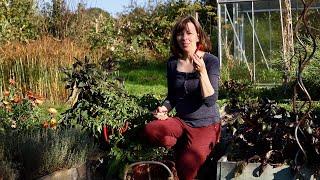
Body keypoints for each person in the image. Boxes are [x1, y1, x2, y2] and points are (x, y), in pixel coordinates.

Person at [143, 15, 221, 180]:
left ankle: (188, 148)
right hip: (182, 121)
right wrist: (163, 108)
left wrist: (202, 72)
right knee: (151, 130)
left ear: (198, 35)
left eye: (189, 33)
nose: (184, 38)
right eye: (180, 34)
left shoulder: (211, 61)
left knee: (186, 169)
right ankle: (180, 143)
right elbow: (172, 96)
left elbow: (210, 100)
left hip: (205, 124)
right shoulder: (172, 63)